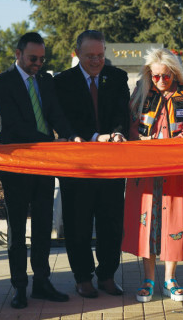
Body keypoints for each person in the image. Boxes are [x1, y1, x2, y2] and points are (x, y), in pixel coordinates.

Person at [0, 32, 82, 309]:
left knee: (43, 228)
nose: (38, 64)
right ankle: (19, 286)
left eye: (42, 59)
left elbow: (54, 113)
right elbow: (13, 126)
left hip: (44, 165)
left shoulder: (45, 80)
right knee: (17, 232)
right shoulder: (2, 83)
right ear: (18, 54)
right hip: (16, 166)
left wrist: (71, 135)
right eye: (33, 58)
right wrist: (50, 142)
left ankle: (41, 283)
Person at [53, 30, 130, 298]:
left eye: (100, 55)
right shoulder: (62, 81)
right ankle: (83, 277)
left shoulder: (117, 77)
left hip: (111, 164)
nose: (96, 61)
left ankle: (107, 275)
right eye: (90, 56)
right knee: (78, 223)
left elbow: (122, 112)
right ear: (77, 54)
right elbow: (62, 120)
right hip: (78, 165)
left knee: (111, 222)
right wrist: (96, 137)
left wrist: (119, 132)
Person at [121, 48, 183, 303]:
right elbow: (132, 127)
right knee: (146, 221)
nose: (160, 81)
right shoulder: (142, 94)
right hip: (145, 169)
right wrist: (142, 140)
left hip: (176, 169)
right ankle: (148, 279)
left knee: (174, 221)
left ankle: (170, 278)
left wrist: (169, 145)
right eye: (155, 76)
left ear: (174, 73)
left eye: (165, 76)